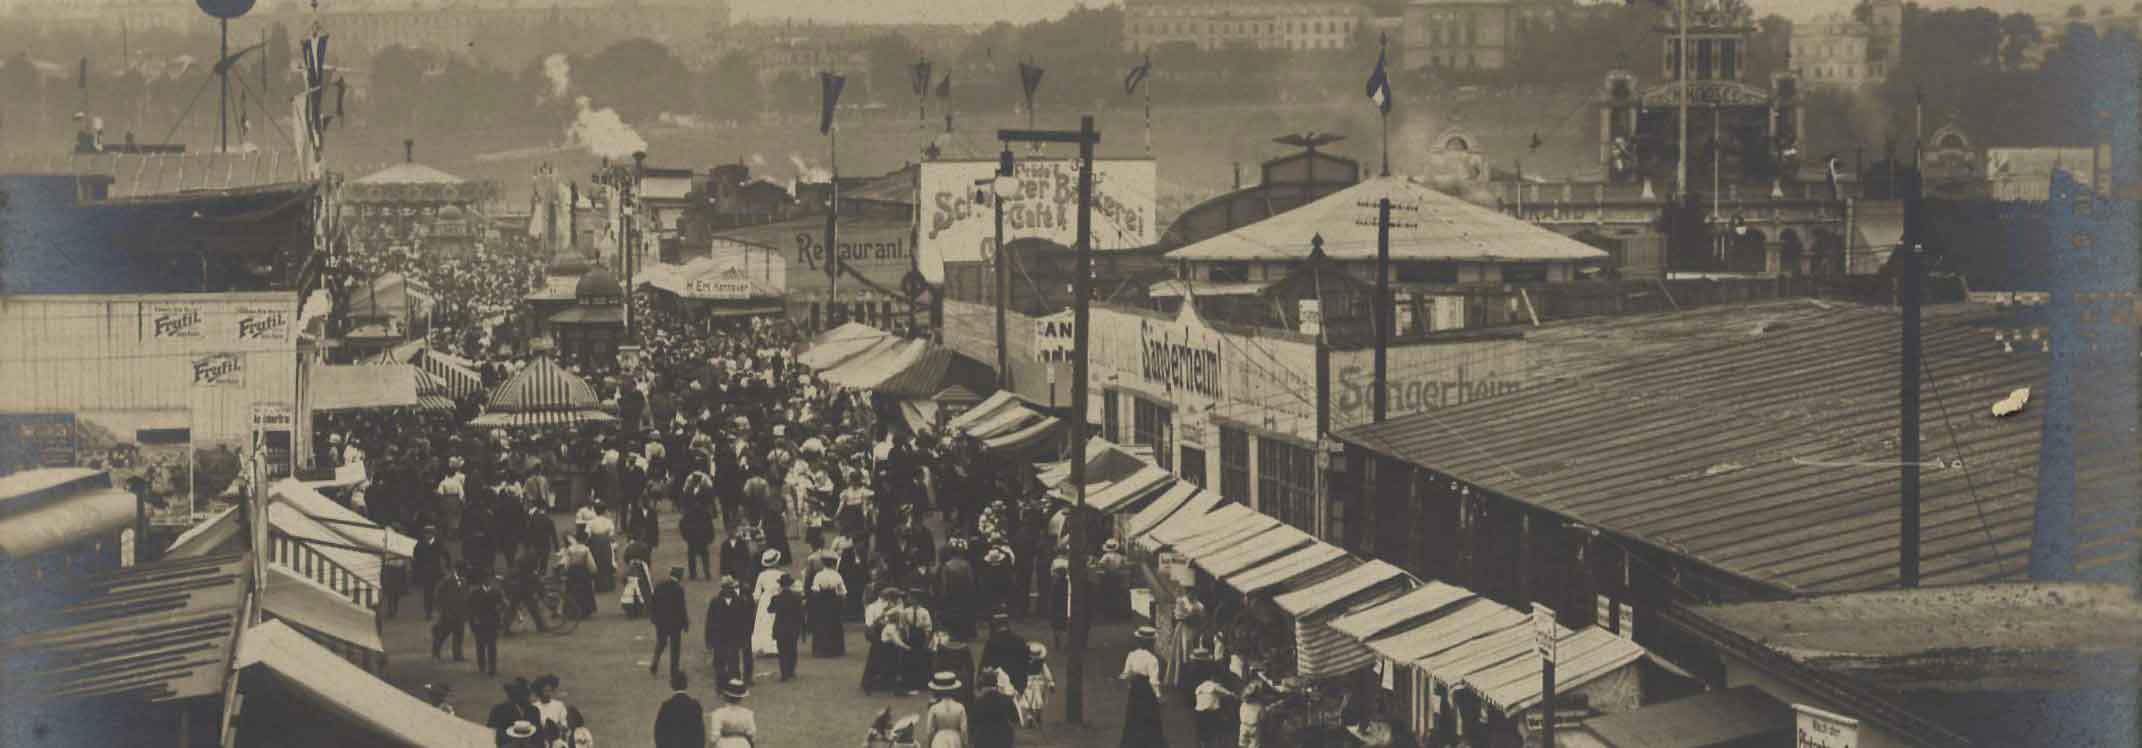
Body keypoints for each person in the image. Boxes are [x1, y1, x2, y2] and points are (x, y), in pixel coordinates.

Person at [1119, 626, 1166, 748]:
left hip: (1135, 688)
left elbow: (1126, 673)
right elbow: (1153, 681)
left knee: (1134, 716)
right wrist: (1158, 695)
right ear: (1152, 643)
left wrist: (1129, 682)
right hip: (1147, 691)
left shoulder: (1132, 655)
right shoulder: (1152, 659)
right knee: (1149, 716)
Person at [709, 575, 756, 684]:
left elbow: (744, 621)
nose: (727, 590)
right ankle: (721, 682)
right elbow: (710, 622)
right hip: (719, 636)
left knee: (733, 660)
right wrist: (709, 638)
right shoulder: (715, 602)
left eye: (729, 587)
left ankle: (735, 681)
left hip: (734, 636)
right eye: (724, 587)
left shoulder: (740, 601)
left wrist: (744, 636)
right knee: (719, 660)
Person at [649, 566, 690, 678]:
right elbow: (681, 608)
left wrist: (654, 618)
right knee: (675, 647)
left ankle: (655, 661)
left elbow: (653, 603)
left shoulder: (660, 585)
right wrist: (685, 623)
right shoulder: (678, 589)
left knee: (661, 643)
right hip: (675, 623)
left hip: (661, 621)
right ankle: (674, 670)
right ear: (679, 576)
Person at [976, 614, 1029, 700]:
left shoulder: (992, 642)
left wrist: (979, 682)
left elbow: (984, 664)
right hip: (1017, 685)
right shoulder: (1020, 641)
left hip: (998, 686)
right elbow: (1026, 664)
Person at [1191, 651, 1236, 748]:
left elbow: (1197, 697)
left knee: (1203, 732)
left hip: (1199, 712)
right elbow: (1227, 693)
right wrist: (1233, 695)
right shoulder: (1215, 686)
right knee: (1216, 728)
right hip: (1212, 712)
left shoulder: (1200, 687)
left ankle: (1203, 744)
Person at [862, 587, 902, 693]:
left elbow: (868, 624)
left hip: (882, 636)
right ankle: (883, 682)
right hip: (879, 635)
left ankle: (881, 681)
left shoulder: (872, 607)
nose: (899, 600)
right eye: (897, 598)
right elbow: (871, 625)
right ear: (890, 598)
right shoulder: (876, 607)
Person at [468, 570, 506, 675]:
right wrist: (473, 621)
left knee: (492, 646)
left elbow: (503, 606)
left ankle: (492, 668)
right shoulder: (475, 593)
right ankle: (482, 666)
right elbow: (470, 608)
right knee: (480, 645)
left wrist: (500, 614)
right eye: (486, 578)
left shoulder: (496, 592)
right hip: (480, 622)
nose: (488, 580)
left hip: (493, 622)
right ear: (481, 580)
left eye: (490, 578)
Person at [969, 668, 1020, 748]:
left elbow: (972, 723)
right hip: (1003, 739)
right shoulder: (1006, 700)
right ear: (996, 683)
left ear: (983, 684)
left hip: (983, 740)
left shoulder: (978, 702)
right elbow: (1015, 719)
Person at [809, 553, 848, 656]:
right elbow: (842, 592)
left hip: (821, 602)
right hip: (834, 602)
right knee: (835, 625)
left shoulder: (819, 575)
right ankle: (835, 650)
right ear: (834, 564)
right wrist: (842, 604)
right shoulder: (837, 575)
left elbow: (815, 591)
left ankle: (821, 650)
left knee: (821, 625)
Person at [653, 672, 705, 748]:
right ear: (686, 685)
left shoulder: (667, 706)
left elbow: (659, 731)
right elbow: (700, 732)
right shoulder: (695, 705)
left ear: (672, 685)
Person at [918, 672, 970, 748]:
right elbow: (964, 730)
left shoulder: (934, 708)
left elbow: (929, 730)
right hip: (955, 740)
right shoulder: (960, 707)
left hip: (938, 740)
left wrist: (929, 744)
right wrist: (965, 744)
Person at [769, 572, 805, 680]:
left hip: (780, 627)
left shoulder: (776, 598)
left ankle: (784, 673)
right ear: (790, 585)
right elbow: (800, 614)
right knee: (792, 649)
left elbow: (770, 610)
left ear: (780, 585)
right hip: (793, 627)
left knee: (782, 651)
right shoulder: (797, 597)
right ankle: (791, 671)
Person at [487, 679, 542, 747]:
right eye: (527, 694)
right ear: (519, 695)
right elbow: (495, 736)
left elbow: (539, 736)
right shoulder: (499, 710)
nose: (531, 697)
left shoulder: (534, 710)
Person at [432, 563, 469, 661]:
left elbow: (465, 596)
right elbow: (438, 594)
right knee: (444, 633)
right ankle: (436, 650)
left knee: (459, 634)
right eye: (463, 569)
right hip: (449, 611)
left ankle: (457, 655)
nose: (464, 572)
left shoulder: (463, 581)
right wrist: (441, 609)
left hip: (459, 611)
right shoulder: (447, 580)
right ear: (458, 569)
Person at [751, 549, 785, 656]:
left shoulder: (762, 575)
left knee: (765, 623)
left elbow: (756, 594)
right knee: (777, 622)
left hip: (765, 600)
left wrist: (756, 604)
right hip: (779, 599)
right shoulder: (782, 574)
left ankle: (765, 646)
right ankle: (776, 647)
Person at [709, 678, 757, 748]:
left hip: (724, 744)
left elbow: (715, 736)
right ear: (741, 698)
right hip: (743, 744)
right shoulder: (748, 713)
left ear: (725, 696)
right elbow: (752, 733)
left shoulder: (718, 713)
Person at [413, 526, 449, 619]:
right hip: (425, 572)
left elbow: (446, 554)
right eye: (426, 533)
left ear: (434, 534)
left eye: (430, 533)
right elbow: (416, 556)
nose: (428, 535)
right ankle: (428, 611)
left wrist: (448, 565)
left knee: (434, 591)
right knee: (427, 592)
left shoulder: (438, 543)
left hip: (436, 571)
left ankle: (433, 609)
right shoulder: (420, 544)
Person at [560, 532, 597, 619]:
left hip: (572, 572)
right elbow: (590, 563)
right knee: (584, 591)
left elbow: (567, 562)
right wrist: (593, 571)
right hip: (582, 571)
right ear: (585, 540)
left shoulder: (570, 549)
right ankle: (584, 610)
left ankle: (571, 610)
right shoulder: (585, 549)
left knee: (571, 590)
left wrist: (565, 571)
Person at [1019, 643, 1054, 728]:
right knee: (1029, 701)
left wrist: (1051, 683)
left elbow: (1047, 672)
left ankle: (1036, 716)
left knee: (1038, 700)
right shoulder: (1025, 662)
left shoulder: (1041, 663)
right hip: (1029, 683)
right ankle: (1030, 718)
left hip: (1038, 683)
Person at [531, 675, 571, 748]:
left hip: (556, 740)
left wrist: (560, 728)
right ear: (539, 692)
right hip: (540, 741)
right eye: (545, 691)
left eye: (550, 691)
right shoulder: (534, 707)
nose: (548, 694)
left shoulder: (559, 705)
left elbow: (564, 724)